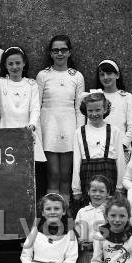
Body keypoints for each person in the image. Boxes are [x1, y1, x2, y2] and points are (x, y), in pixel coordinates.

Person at [37, 35, 85, 205]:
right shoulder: (43, 75)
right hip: (49, 126)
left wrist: (80, 132)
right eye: (55, 50)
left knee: (66, 175)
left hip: (69, 126)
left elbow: (80, 108)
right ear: (50, 53)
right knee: (53, 173)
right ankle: (51, 212)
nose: (59, 53)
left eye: (63, 50)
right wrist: (39, 131)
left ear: (69, 52)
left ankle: (64, 213)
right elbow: (37, 105)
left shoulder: (77, 76)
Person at [71, 91, 126, 210]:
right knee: (90, 211)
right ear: (85, 111)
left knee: (109, 211)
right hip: (87, 174)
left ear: (105, 109)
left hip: (109, 173)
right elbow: (76, 162)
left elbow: (120, 159)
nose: (94, 114)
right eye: (90, 111)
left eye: (98, 110)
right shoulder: (79, 132)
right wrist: (76, 188)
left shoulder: (114, 131)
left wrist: (119, 186)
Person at [95, 59, 132, 158]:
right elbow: (90, 124)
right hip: (99, 149)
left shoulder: (126, 97)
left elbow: (131, 127)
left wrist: (123, 145)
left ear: (117, 75)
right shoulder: (96, 97)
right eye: (102, 74)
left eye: (109, 73)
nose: (105, 77)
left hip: (122, 148)